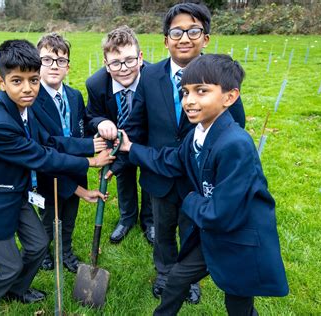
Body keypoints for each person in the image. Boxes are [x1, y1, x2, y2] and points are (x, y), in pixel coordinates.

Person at [0, 39, 114, 316]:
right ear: (1, 82)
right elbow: (41, 157)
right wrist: (90, 161)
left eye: (33, 80)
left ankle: (17, 289)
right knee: (8, 265)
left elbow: (48, 140)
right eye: (17, 81)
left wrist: (89, 144)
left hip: (11, 189)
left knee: (38, 245)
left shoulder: (24, 109)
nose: (27, 88)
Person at [119, 54, 289, 315]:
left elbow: (219, 213)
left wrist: (187, 197)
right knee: (176, 279)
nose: (190, 100)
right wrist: (131, 148)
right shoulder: (197, 133)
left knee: (238, 303)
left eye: (202, 91)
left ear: (230, 97)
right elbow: (172, 160)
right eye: (185, 92)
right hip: (211, 231)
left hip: (238, 238)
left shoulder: (236, 145)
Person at [116, 2, 246, 301]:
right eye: (176, 31)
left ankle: (189, 279)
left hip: (196, 179)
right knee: (162, 229)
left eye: (193, 31)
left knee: (191, 230)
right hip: (158, 173)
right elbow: (136, 122)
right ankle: (164, 272)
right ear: (165, 40)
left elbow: (234, 124)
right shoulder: (149, 76)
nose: (184, 38)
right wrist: (121, 155)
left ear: (206, 38)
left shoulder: (219, 77)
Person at [31, 33, 101, 273]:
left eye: (61, 61)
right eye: (47, 60)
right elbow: (46, 145)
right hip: (48, 173)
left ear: (68, 67)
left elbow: (80, 132)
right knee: (50, 217)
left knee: (69, 215)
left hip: (75, 168)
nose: (54, 66)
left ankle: (66, 252)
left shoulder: (74, 96)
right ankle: (44, 253)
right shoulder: (31, 99)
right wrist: (90, 151)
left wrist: (99, 141)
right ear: (37, 64)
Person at [85, 25, 154, 245]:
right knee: (124, 176)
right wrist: (102, 122)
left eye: (130, 60)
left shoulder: (154, 79)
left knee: (150, 176)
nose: (123, 68)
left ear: (140, 57)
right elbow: (91, 115)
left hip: (149, 137)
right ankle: (127, 218)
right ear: (106, 64)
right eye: (115, 63)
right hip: (117, 142)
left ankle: (150, 220)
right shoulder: (95, 84)